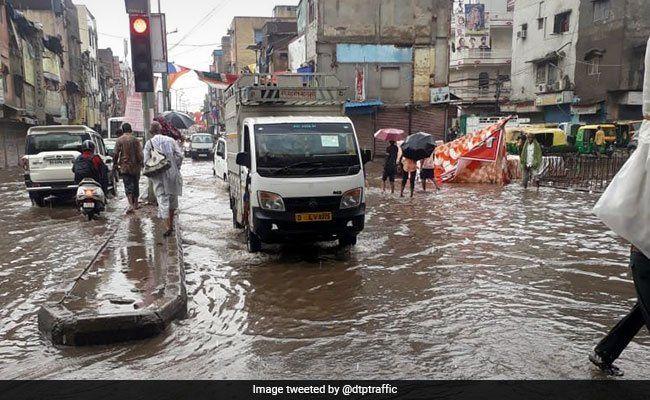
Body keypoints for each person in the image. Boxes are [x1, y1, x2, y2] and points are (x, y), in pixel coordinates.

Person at [144, 121, 183, 237]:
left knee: (162, 201)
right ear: (161, 130)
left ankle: (167, 227)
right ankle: (170, 225)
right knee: (172, 201)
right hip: (172, 174)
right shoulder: (171, 140)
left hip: (158, 175)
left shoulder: (149, 143)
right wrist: (175, 166)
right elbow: (180, 155)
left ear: (151, 131)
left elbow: (145, 161)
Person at [113, 122, 144, 213]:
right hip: (136, 167)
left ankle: (130, 204)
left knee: (128, 185)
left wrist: (115, 164)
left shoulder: (119, 140)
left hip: (125, 166)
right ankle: (136, 204)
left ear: (123, 130)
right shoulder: (136, 140)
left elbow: (115, 153)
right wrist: (141, 163)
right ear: (131, 130)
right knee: (136, 184)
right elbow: (140, 154)